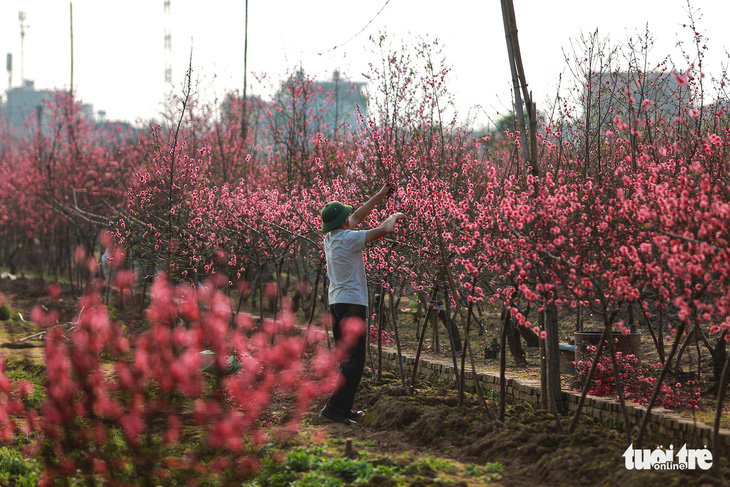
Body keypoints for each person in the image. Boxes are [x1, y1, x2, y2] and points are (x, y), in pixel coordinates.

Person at [319, 184, 405, 425]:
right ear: (342, 222)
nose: (351, 216)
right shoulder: (350, 239)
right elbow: (385, 229)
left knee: (347, 358)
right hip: (352, 305)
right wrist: (395, 215)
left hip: (336, 303)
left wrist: (380, 194)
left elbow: (356, 216)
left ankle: (342, 408)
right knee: (354, 360)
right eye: (347, 215)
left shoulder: (331, 238)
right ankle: (334, 409)